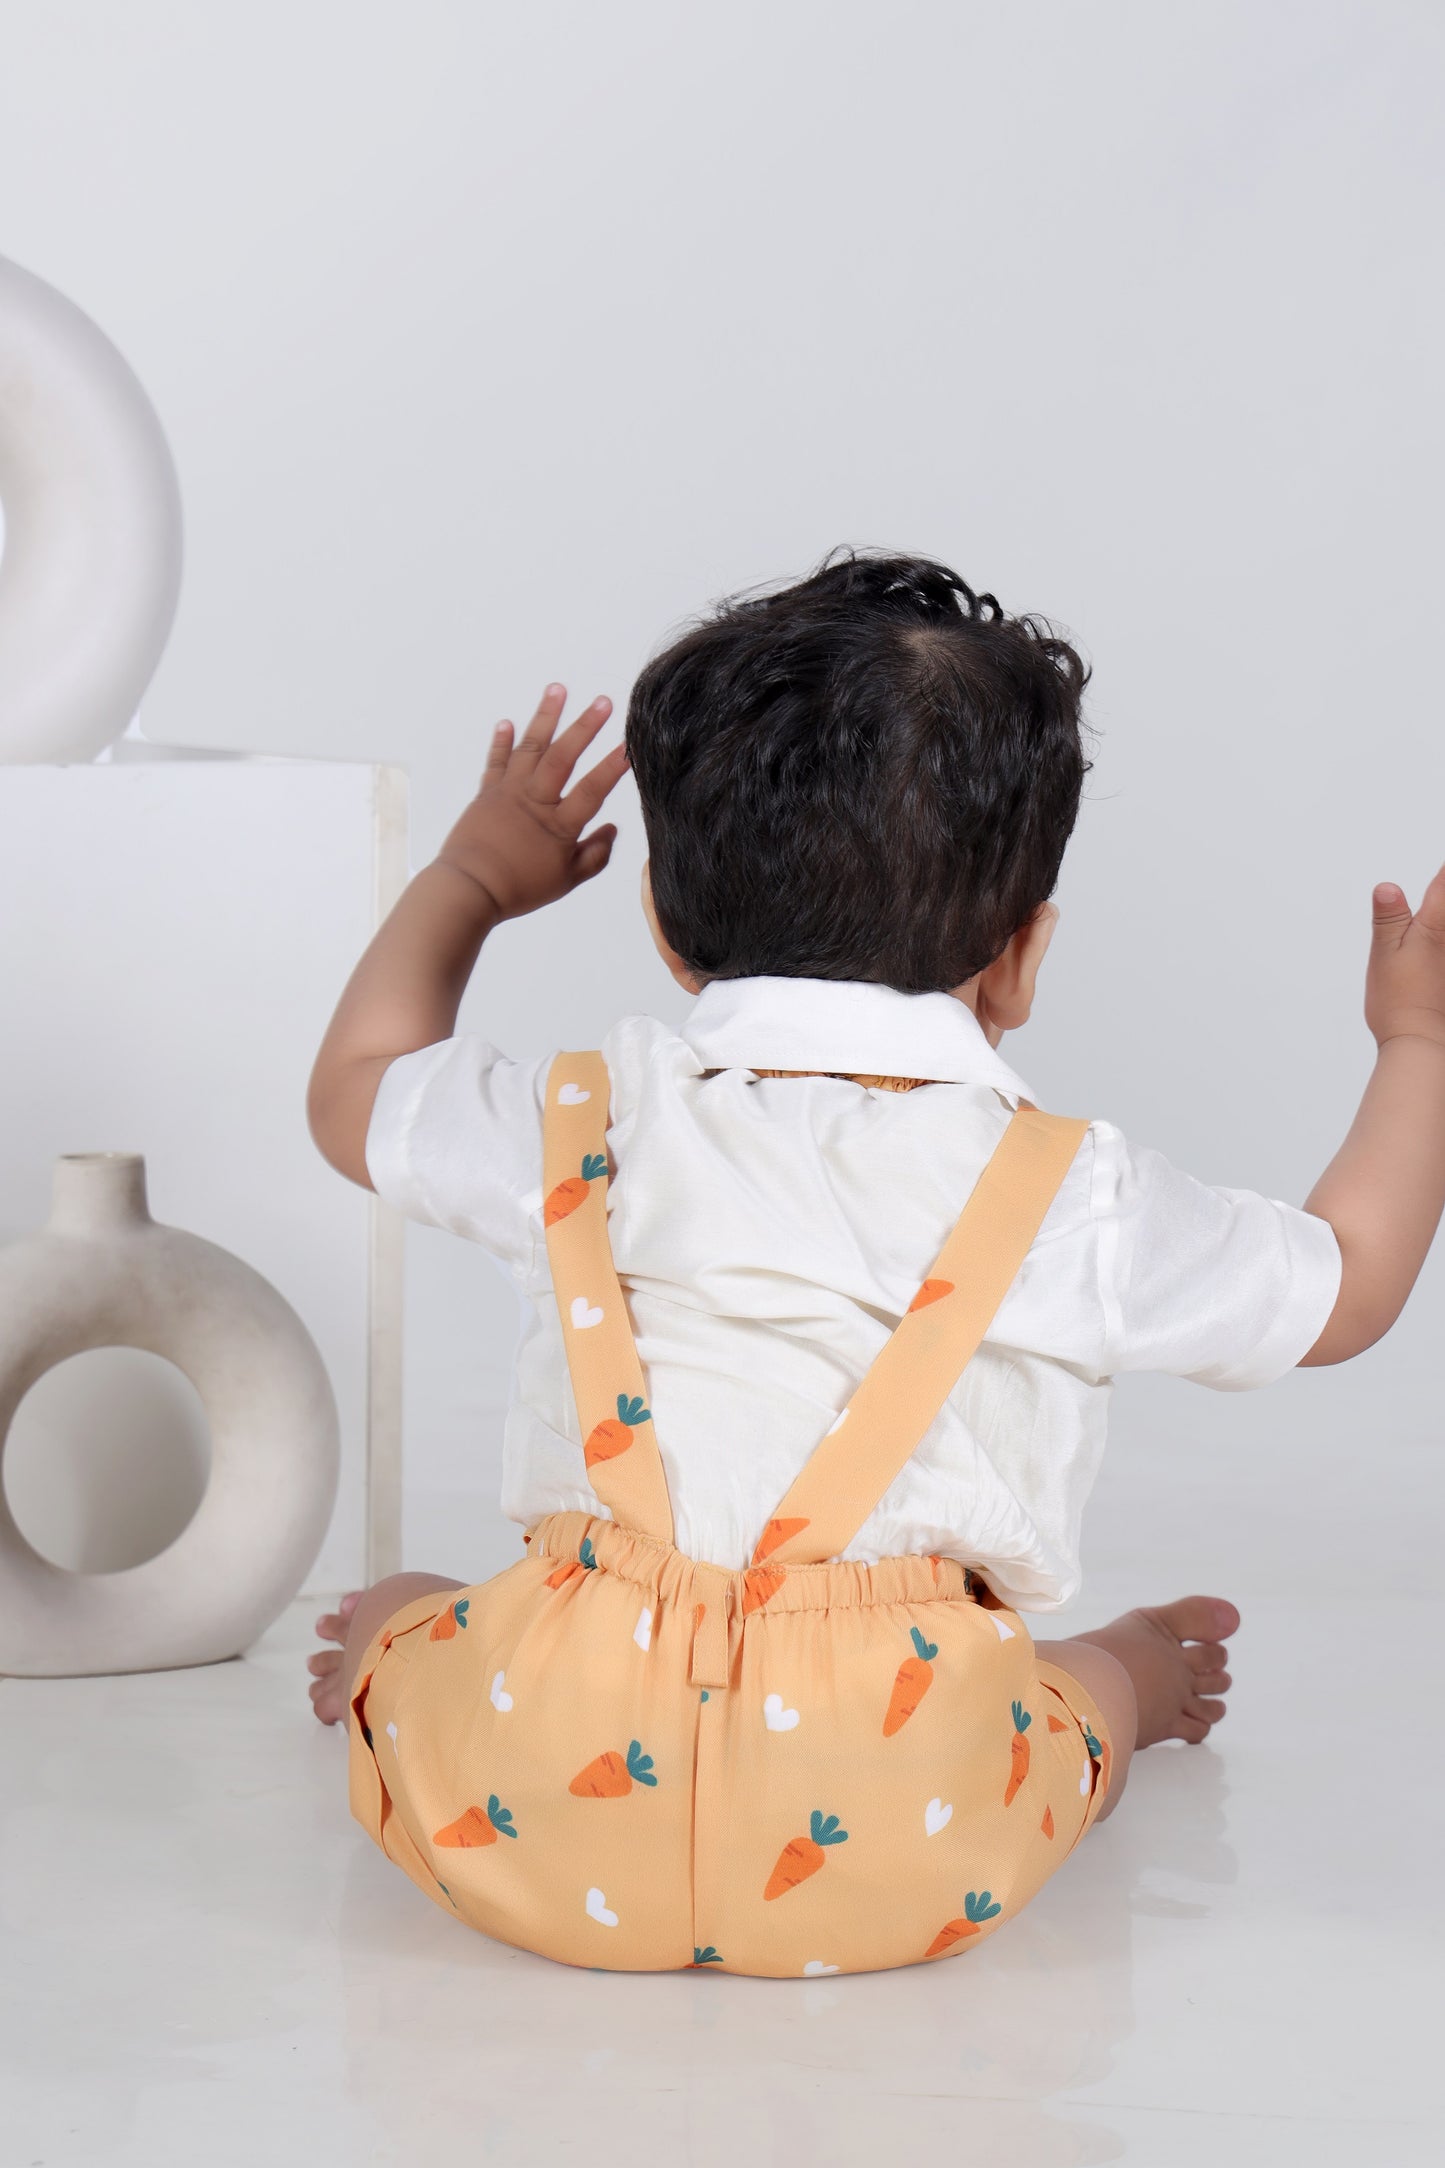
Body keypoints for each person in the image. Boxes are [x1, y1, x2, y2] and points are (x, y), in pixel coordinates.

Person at [304, 551, 1445, 1976]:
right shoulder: (1066, 1198)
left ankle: (373, 1664)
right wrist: (1421, 1044)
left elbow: (354, 1086)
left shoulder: (579, 1126)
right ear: (1021, 958)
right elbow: (1345, 1285)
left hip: (533, 1813)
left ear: (663, 926)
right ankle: (1134, 1685)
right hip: (901, 1838)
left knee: (413, 1608)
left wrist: (475, 875)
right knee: (1056, 1688)